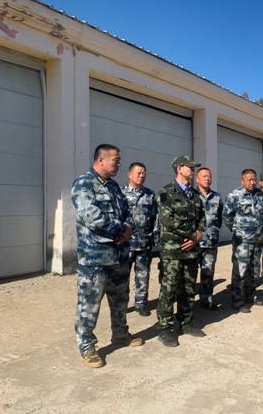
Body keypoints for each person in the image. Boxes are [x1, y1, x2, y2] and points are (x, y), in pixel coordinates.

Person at [71, 144, 144, 368]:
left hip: (119, 255)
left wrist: (129, 228)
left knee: (120, 299)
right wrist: (120, 230)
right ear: (101, 160)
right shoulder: (84, 184)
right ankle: (86, 346)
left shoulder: (113, 186)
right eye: (115, 159)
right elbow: (91, 217)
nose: (119, 163)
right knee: (89, 303)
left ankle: (120, 334)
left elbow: (127, 213)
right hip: (95, 258)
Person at [157, 155, 206, 347]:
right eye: (189, 167)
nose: (192, 170)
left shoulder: (195, 195)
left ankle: (185, 322)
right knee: (169, 289)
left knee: (188, 288)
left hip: (191, 250)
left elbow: (202, 218)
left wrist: (199, 234)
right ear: (179, 168)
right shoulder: (166, 192)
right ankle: (165, 328)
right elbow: (168, 220)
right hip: (172, 250)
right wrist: (193, 235)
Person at [222, 168, 263, 312]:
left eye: (254, 179)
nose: (252, 182)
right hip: (243, 241)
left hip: (257, 240)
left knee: (253, 271)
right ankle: (237, 301)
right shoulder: (235, 195)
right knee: (240, 271)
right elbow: (227, 216)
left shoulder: (259, 194)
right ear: (242, 181)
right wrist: (237, 230)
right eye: (249, 180)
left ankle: (250, 296)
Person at [122, 162, 159, 317]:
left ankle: (141, 303)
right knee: (122, 276)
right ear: (129, 174)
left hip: (144, 242)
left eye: (144, 173)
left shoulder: (150, 195)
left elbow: (156, 217)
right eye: (139, 173)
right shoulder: (120, 194)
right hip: (125, 243)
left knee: (143, 275)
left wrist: (155, 237)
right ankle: (122, 305)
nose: (142, 175)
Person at [195, 167, 223, 311]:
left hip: (210, 242)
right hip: (194, 243)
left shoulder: (217, 197)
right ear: (197, 179)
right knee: (190, 275)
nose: (207, 178)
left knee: (208, 273)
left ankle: (206, 300)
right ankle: (187, 304)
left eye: (209, 176)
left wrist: (214, 231)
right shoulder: (191, 195)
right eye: (204, 176)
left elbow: (219, 218)